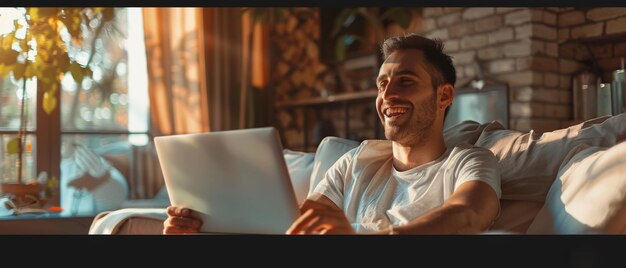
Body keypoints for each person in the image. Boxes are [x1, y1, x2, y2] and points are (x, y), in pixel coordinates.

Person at [163, 33, 501, 235]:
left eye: (406, 81)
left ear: (443, 96)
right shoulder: (356, 160)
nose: (387, 96)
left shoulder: (469, 160)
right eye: (382, 85)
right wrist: (207, 229)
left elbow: (469, 212)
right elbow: (298, 224)